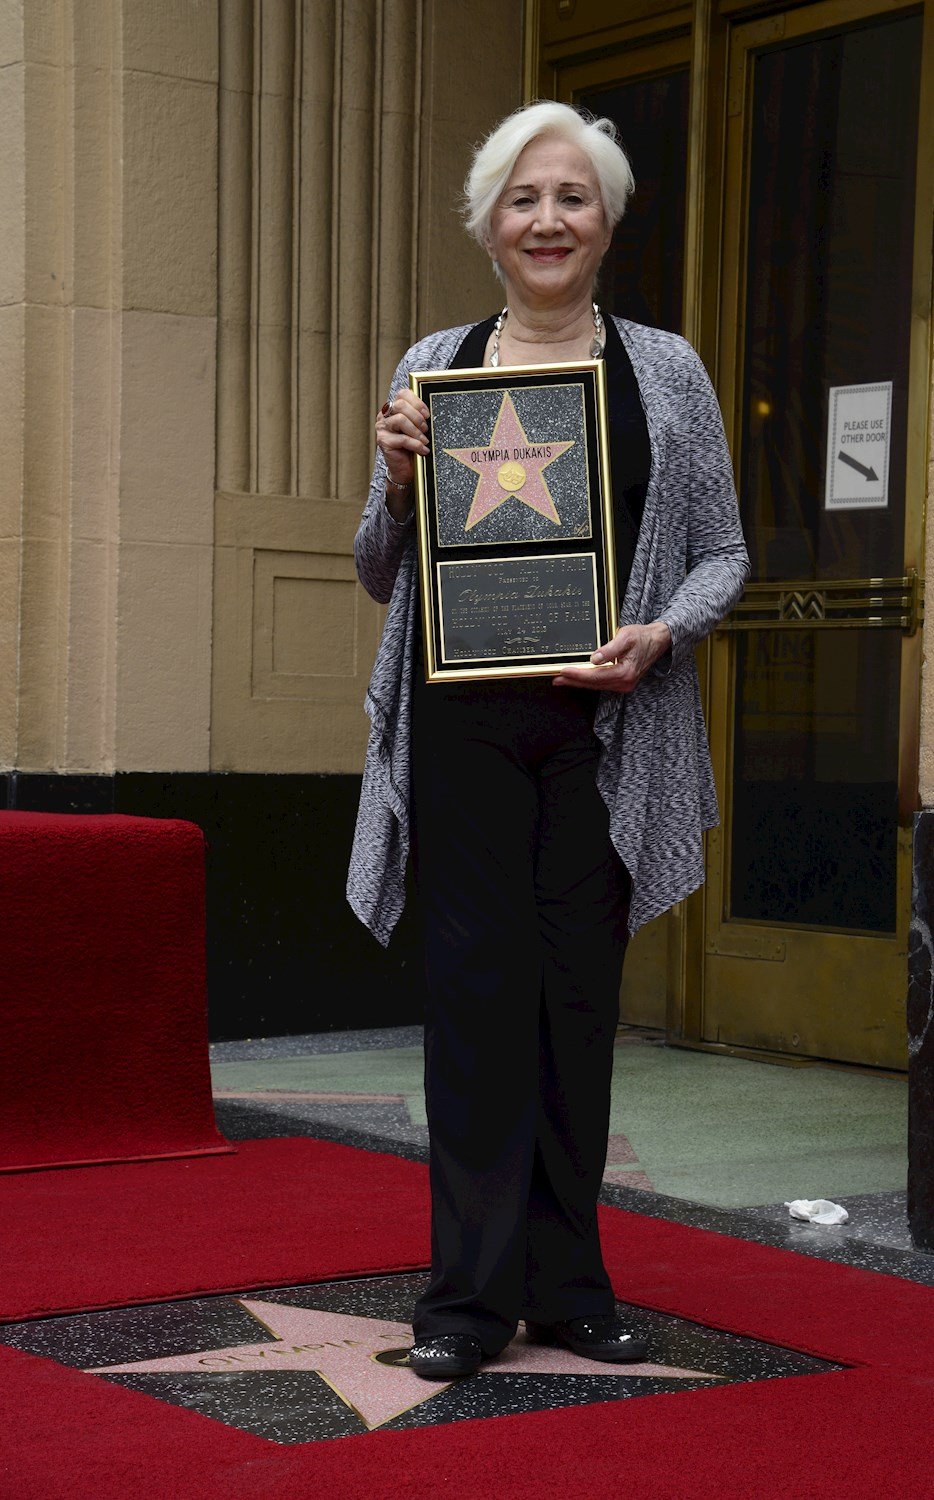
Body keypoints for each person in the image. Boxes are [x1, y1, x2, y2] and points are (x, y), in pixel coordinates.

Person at [347, 101, 749, 1381]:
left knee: (574, 1006)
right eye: (524, 199)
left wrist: (662, 633)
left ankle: (568, 1284)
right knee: (473, 1008)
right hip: (463, 730)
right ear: (487, 221)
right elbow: (372, 567)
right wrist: (401, 482)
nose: (548, 219)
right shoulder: (436, 359)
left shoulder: (666, 370)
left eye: (573, 196)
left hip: (604, 734)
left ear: (609, 218)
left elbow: (726, 550)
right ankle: (464, 1301)